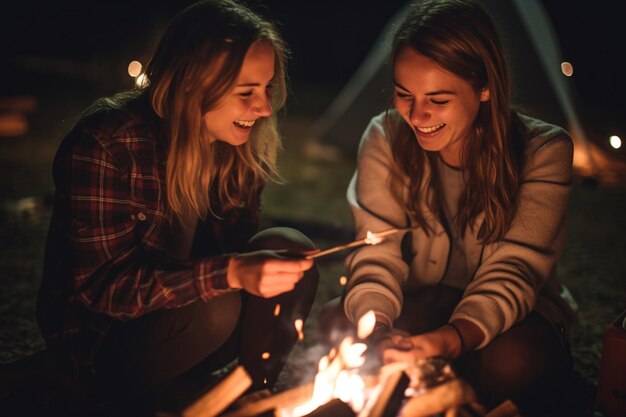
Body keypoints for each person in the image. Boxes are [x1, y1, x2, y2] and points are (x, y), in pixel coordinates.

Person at [36, 0, 318, 409]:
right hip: (104, 344)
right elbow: (102, 289)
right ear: (192, 84)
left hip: (197, 332)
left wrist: (246, 270)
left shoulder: (239, 147)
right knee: (219, 301)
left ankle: (253, 392)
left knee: (290, 247)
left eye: (267, 87)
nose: (264, 108)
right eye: (246, 93)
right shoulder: (107, 143)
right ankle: (106, 393)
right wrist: (232, 273)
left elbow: (237, 250)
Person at [320, 0, 578, 414]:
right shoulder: (385, 137)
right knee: (340, 321)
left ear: (485, 87)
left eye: (438, 100)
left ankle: (460, 385)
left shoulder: (543, 150)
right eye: (404, 94)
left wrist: (448, 339)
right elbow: (375, 249)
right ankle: (421, 385)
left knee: (512, 360)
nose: (417, 115)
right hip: (421, 298)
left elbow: (515, 270)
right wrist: (379, 326)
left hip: (511, 318)